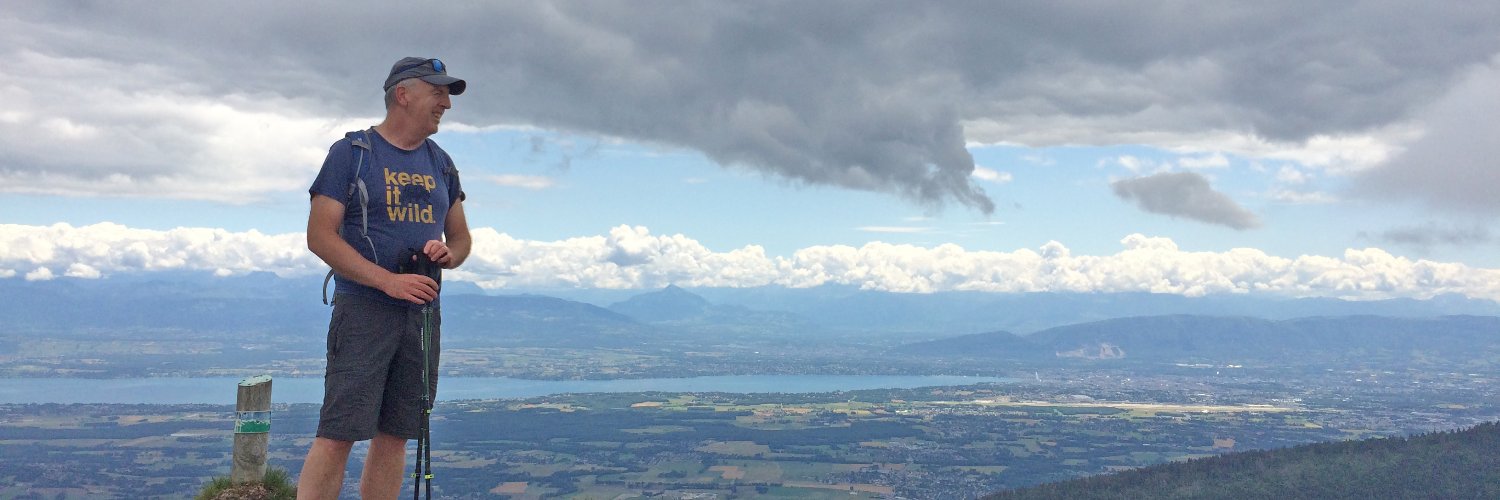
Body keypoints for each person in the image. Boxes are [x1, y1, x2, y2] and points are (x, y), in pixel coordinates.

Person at [297, 57, 472, 500]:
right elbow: (320, 237)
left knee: (397, 431)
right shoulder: (352, 155)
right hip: (364, 309)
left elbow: (461, 237)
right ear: (403, 94)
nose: (446, 103)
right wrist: (385, 281)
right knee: (340, 431)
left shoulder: (442, 163)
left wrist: (449, 255)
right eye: (438, 92)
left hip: (421, 313)